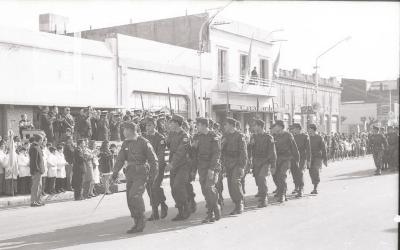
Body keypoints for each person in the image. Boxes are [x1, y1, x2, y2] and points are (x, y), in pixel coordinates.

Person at [112, 122, 158, 234]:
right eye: (123, 130)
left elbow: (154, 161)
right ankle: (136, 222)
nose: (123, 132)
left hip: (141, 172)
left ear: (131, 130)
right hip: (130, 173)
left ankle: (141, 221)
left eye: (125, 129)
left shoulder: (143, 142)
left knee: (135, 195)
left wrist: (152, 176)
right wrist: (114, 173)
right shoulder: (125, 143)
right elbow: (120, 159)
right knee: (129, 198)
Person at [192, 117, 222, 223]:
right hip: (202, 167)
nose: (196, 126)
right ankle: (213, 209)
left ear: (204, 125)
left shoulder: (214, 136)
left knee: (209, 187)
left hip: (212, 166)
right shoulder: (196, 136)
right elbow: (194, 154)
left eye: (198, 125)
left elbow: (216, 153)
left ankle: (212, 211)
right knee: (205, 190)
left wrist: (212, 169)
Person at [166, 115, 192, 221]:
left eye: (171, 122)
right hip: (174, 165)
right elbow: (167, 145)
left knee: (178, 186)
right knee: (173, 188)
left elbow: (180, 152)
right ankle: (180, 211)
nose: (169, 124)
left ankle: (186, 208)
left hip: (183, 165)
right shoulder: (171, 134)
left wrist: (171, 164)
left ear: (176, 123)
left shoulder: (184, 136)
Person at [143, 117, 168, 221]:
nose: (147, 127)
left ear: (154, 126)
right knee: (149, 189)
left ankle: (163, 204)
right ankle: (154, 212)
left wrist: (156, 166)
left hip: (158, 166)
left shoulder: (160, 138)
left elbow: (160, 154)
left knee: (155, 187)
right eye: (146, 125)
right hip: (147, 167)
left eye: (149, 125)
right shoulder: (144, 137)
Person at [221, 118, 248, 214]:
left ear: (232, 125)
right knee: (230, 185)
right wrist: (223, 164)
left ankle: (240, 203)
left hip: (237, 162)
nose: (224, 126)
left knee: (235, 183)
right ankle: (237, 202)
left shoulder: (240, 136)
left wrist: (242, 166)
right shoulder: (225, 136)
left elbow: (243, 152)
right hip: (228, 163)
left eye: (226, 124)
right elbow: (221, 151)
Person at [248, 119, 276, 207]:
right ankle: (262, 193)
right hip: (256, 161)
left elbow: (272, 152)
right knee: (258, 180)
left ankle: (264, 199)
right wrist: (250, 145)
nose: (253, 127)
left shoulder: (269, 137)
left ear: (260, 126)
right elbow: (249, 150)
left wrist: (273, 165)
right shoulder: (253, 137)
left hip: (265, 161)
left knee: (261, 178)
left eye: (255, 125)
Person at [270, 120, 299, 203]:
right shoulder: (274, 136)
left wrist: (296, 161)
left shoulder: (288, 135)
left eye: (275, 126)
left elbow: (294, 148)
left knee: (282, 175)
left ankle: (282, 194)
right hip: (276, 159)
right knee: (275, 176)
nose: (274, 127)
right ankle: (280, 191)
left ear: (280, 127)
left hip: (286, 158)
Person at [290, 123, 311, 197]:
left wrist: (308, 160)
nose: (293, 130)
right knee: (294, 172)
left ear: (298, 128)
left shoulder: (305, 136)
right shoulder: (292, 137)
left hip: (302, 157)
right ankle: (296, 186)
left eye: (294, 128)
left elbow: (308, 149)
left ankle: (301, 188)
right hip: (294, 157)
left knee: (300, 171)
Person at [307, 124, 328, 194]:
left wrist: (325, 159)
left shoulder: (319, 138)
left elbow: (323, 149)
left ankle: (315, 187)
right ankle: (314, 184)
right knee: (311, 172)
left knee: (315, 170)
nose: (308, 130)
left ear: (313, 129)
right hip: (309, 158)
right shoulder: (307, 137)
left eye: (309, 129)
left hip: (317, 157)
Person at [182, 120, 197, 214]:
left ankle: (191, 201)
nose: (183, 129)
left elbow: (194, 155)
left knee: (186, 184)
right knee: (182, 185)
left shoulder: (191, 138)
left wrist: (193, 170)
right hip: (180, 165)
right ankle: (187, 203)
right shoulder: (177, 137)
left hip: (188, 165)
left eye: (185, 127)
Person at [29, 134, 45, 207]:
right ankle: (33, 201)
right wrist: (36, 170)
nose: (42, 141)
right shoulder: (34, 147)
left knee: (39, 186)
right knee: (35, 186)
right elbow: (33, 161)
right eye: (41, 140)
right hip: (36, 170)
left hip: (39, 170)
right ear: (39, 140)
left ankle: (38, 200)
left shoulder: (37, 147)